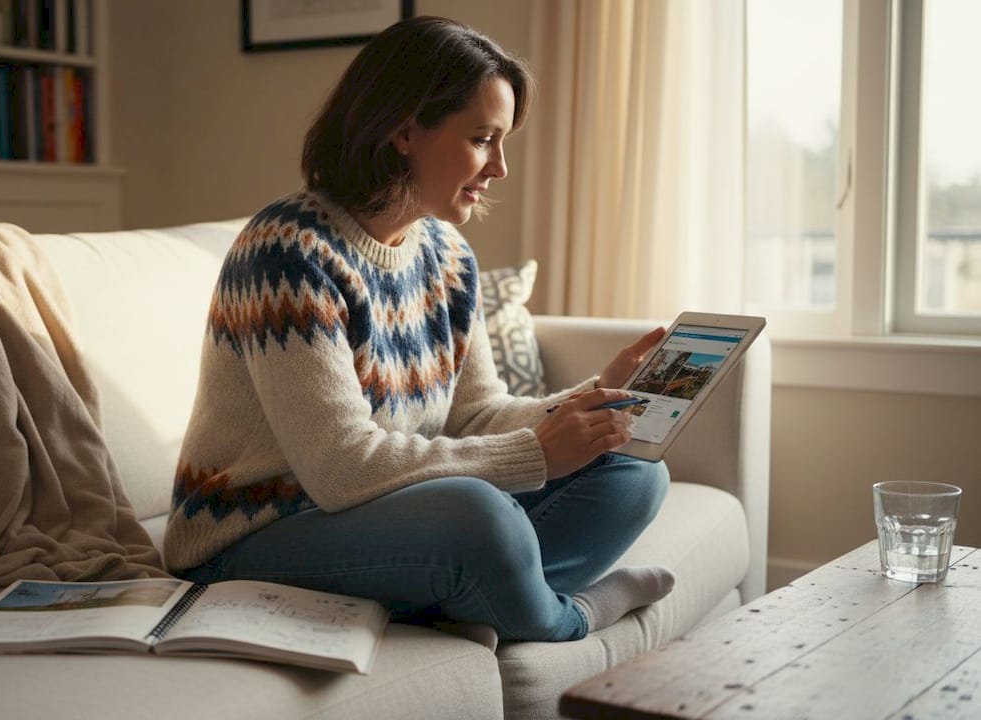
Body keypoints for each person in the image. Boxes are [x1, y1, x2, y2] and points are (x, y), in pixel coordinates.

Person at [164, 15, 675, 642]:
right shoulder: (287, 253)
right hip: (252, 532)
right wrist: (538, 453)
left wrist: (591, 400)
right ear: (403, 130)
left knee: (632, 468)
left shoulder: (447, 255)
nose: (501, 168)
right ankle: (570, 614)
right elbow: (340, 467)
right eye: (484, 138)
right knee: (478, 516)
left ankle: (478, 595)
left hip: (380, 514)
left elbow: (477, 415)